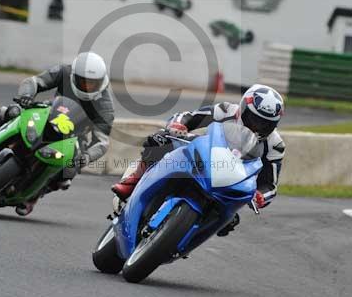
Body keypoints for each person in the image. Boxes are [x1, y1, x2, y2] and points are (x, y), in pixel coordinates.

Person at [112, 84, 285, 235]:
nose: (257, 126)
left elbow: (270, 185)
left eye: (265, 124)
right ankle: (133, 182)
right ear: (243, 109)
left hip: (233, 180)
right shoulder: (226, 110)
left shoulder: (275, 144)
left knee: (229, 221)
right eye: (254, 119)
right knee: (160, 140)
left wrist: (260, 195)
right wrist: (178, 125)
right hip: (204, 157)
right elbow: (188, 116)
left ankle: (188, 236)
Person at [0, 52, 115, 216]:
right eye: (83, 81)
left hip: (75, 136)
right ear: (74, 75)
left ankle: (34, 196)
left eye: (92, 84)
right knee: (12, 111)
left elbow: (102, 142)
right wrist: (26, 95)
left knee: (68, 172)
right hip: (49, 113)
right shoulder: (64, 72)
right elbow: (34, 82)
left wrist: (86, 157)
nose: (87, 86)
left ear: (101, 82)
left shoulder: (105, 105)